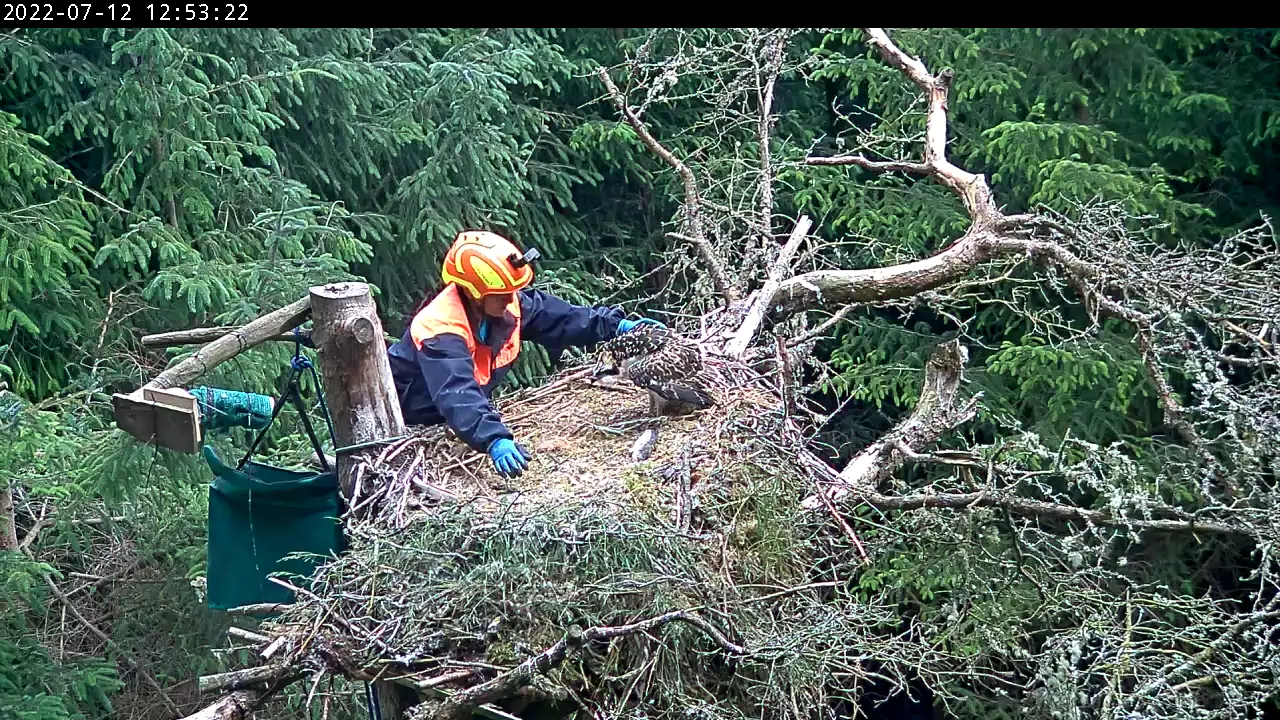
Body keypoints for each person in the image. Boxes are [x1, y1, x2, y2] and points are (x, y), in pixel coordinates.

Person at [388, 230, 665, 478]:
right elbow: (456, 392)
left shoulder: (504, 305)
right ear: (474, 293)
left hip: (454, 418)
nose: (511, 300)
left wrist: (619, 327)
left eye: (513, 291)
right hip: (410, 421)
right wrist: (494, 439)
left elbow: (562, 319)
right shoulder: (440, 329)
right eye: (502, 294)